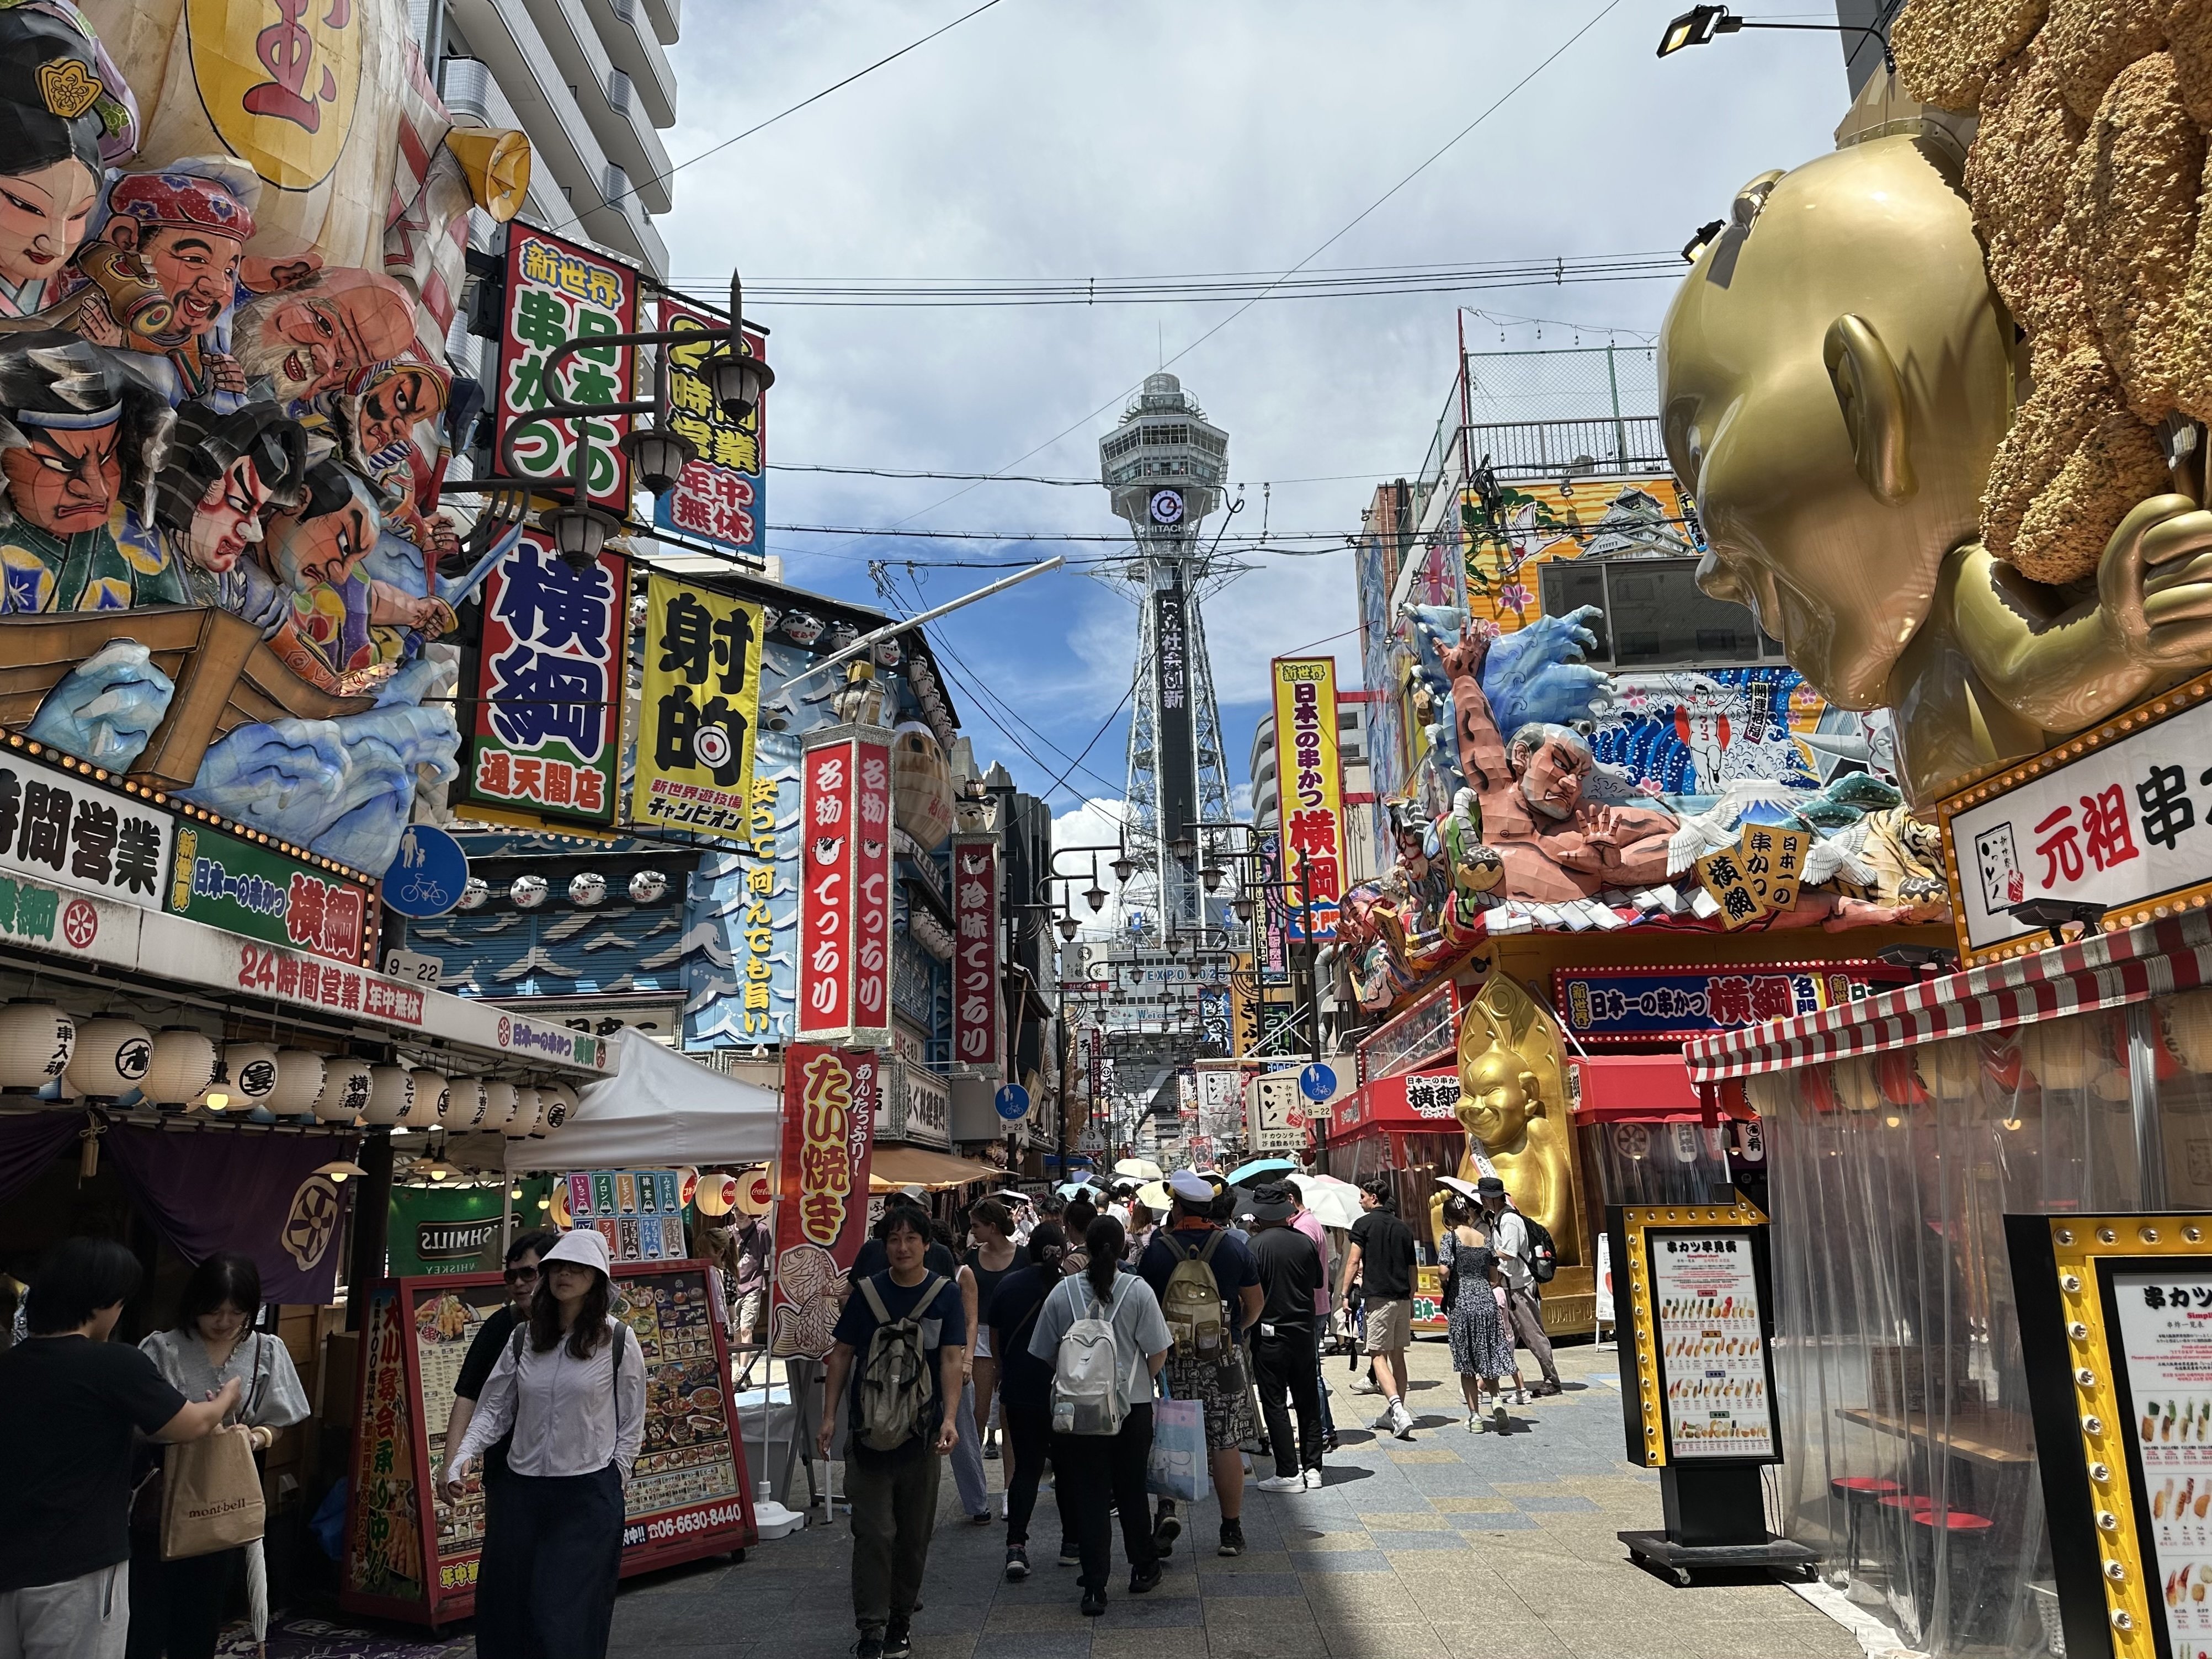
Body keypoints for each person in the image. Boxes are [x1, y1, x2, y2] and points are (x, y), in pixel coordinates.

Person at [0, 1238, 240, 1659]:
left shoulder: (10, 1366)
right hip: (80, 1567)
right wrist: (226, 1398)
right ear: (102, 1304)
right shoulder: (114, 1364)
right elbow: (193, 1425)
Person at [442, 1229, 645, 1659]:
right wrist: (461, 1457)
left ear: (596, 1278)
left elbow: (632, 1422)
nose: (563, 1276)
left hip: (586, 1495)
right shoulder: (523, 1339)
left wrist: (615, 1477)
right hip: (521, 1492)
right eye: (556, 1268)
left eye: (576, 1268)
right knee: (508, 1613)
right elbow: (494, 1410)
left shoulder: (620, 1342)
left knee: (566, 1618)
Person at [130, 1254, 310, 1659]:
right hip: (165, 1492)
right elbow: (138, 1425)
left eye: (236, 1312)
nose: (225, 1322)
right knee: (146, 1613)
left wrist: (255, 1437)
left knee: (202, 1611)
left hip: (223, 1496)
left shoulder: (264, 1349)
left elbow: (279, 1421)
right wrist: (191, 1425)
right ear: (195, 1303)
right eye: (214, 1311)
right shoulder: (163, 1349)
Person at [817, 1206, 964, 1659]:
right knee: (874, 1532)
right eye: (894, 1240)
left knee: (914, 1534)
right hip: (867, 1433)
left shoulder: (945, 1295)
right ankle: (871, 1628)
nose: (902, 1248)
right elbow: (841, 1354)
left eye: (911, 1239)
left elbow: (951, 1360)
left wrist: (950, 1418)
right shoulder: (866, 1294)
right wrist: (828, 1418)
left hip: (920, 1435)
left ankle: (900, 1618)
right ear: (885, 1247)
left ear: (926, 1245)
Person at [1028, 1216, 1169, 1617]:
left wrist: (1079, 1377)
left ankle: (1094, 1587)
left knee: (1089, 1495)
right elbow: (1158, 1351)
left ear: (1084, 1247)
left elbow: (1043, 1351)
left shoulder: (1063, 1292)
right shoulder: (1138, 1291)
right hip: (1133, 1409)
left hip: (1077, 1411)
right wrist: (1133, 1383)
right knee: (1131, 1491)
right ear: (1124, 1247)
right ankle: (1143, 1567)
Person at [1136, 1169, 1262, 1559]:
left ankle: (1168, 1511)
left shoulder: (1157, 1251)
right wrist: (1235, 1331)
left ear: (1176, 1208)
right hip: (1223, 1356)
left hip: (1175, 1357)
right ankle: (1230, 1530)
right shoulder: (1233, 1248)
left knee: (1170, 1433)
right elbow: (1255, 1305)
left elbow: (1146, 1311)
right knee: (1226, 1441)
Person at [442, 1231, 558, 1508]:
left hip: (566, 1474)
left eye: (528, 1273)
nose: (518, 1283)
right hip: (507, 1471)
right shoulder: (501, 1327)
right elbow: (468, 1394)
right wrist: (450, 1465)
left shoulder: (584, 1331)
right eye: (511, 1276)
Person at [988, 1224, 1073, 1581]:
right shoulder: (1070, 1290)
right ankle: (1073, 1544)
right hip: (1066, 1392)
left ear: (1030, 1251)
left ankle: (1016, 1546)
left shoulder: (1008, 1286)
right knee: (1069, 1468)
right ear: (1061, 1253)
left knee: (1026, 1468)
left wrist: (1004, 1371)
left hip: (1020, 1388)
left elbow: (996, 1342)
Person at [1245, 1184, 1326, 1492]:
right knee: (1307, 1401)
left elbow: (1250, 1292)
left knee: (1275, 1402)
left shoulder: (1255, 1247)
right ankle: (1314, 1468)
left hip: (1269, 1335)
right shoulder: (1304, 1242)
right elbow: (1316, 1281)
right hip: (1304, 1333)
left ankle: (1288, 1472)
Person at [1340, 1178, 1418, 1439]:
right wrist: (1412, 1299)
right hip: (1402, 1298)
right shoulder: (1403, 1228)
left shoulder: (1363, 1225)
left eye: (1363, 1196)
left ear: (1374, 1197)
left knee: (1377, 1355)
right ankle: (1396, 1412)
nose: (1360, 1200)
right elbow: (1412, 1270)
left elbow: (1353, 1262)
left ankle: (1398, 1411)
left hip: (1378, 1298)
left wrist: (1343, 1294)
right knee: (1399, 1356)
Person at [1439, 1195, 1520, 1433]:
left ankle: (1475, 1417)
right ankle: (1496, 1399)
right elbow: (1494, 1278)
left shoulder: (1450, 1238)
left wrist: (1445, 1279)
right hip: (1486, 1302)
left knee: (1467, 1364)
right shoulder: (1484, 1239)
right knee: (1488, 1354)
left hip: (1462, 1304)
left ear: (1448, 1219)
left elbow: (1444, 1270)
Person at [1479, 1175, 1560, 1397]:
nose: (1483, 1201)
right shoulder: (1497, 1218)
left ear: (1495, 1197)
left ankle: (1552, 1380)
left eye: (1485, 1197)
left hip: (1520, 1286)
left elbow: (1510, 1253)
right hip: (1509, 1285)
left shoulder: (1509, 1220)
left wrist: (1486, 1253)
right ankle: (1487, 1379)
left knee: (1532, 1334)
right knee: (1505, 1335)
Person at [960, 1200, 1017, 1471]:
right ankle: (976, 1483)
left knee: (1010, 1417)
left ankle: (1010, 1487)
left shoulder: (1023, 1256)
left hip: (1014, 1336)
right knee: (977, 1413)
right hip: (979, 1335)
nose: (972, 1231)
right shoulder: (970, 1257)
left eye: (976, 1226)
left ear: (992, 1227)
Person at [1286, 1186, 1338, 1452]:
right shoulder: (1310, 1223)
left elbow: (1304, 1271)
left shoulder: (1305, 1227)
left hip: (1311, 1307)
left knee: (1311, 1374)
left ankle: (1323, 1432)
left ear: (1291, 1200)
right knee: (1312, 1371)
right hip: (1317, 1306)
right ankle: (1327, 1430)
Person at [848, 1194, 960, 1284]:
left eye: (913, 1206)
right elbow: (847, 1294)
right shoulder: (871, 1249)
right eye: (899, 1205)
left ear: (928, 1216)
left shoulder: (941, 1255)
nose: (902, 1248)